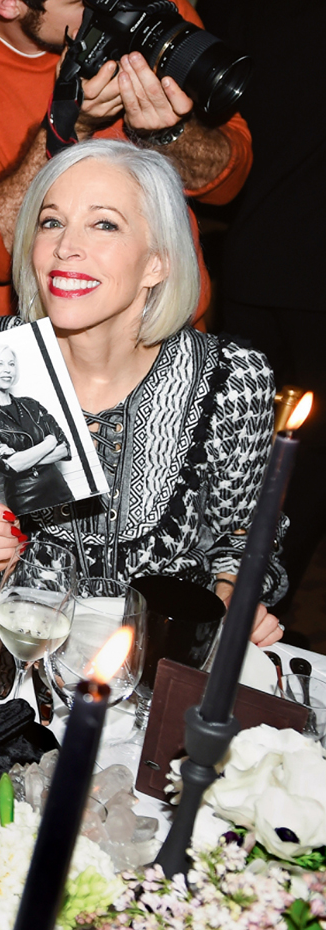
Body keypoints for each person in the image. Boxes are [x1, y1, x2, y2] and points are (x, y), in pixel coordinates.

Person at [0, 139, 285, 646]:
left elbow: (244, 543)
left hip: (160, 659)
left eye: (104, 224)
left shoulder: (233, 381)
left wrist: (232, 593)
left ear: (156, 262)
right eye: (51, 222)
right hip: (21, 651)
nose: (66, 247)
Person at [0, 0, 252, 325]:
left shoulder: (150, 11)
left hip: (167, 324)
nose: (108, 7)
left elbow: (228, 184)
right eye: (83, 2)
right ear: (9, 4)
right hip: (40, 339)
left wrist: (169, 133)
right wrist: (69, 126)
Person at [209, 0, 324, 625]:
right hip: (274, 255)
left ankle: (246, 604)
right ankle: (254, 606)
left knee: (253, 445)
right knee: (284, 457)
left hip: (258, 249)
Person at [0, 343, 73, 515]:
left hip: (60, 489)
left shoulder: (31, 405)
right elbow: (9, 466)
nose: (7, 369)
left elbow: (65, 449)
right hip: (25, 498)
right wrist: (49, 442)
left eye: (11, 364)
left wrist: (22, 458)